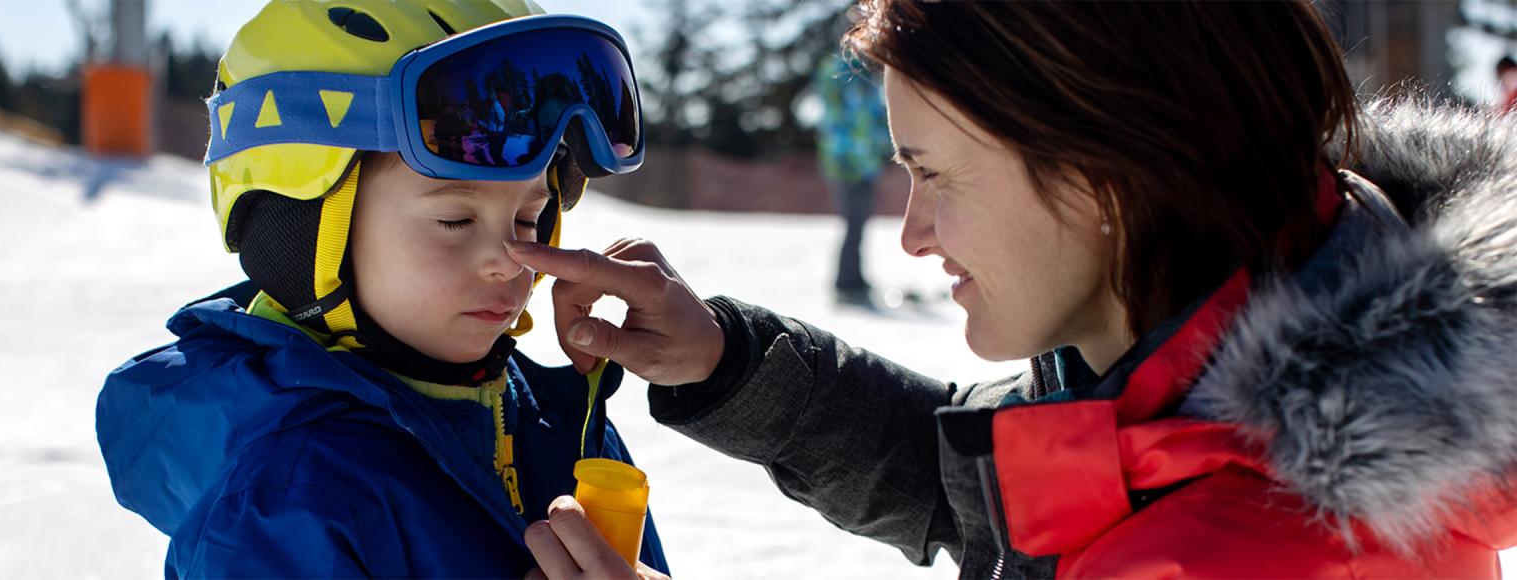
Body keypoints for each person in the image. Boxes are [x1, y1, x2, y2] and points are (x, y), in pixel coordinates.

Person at [515, 1, 1517, 577]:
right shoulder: (1198, 373)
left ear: (1104, 178)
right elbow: (992, 479)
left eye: (937, 174)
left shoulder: (1242, 551)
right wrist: (725, 362)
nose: (910, 231)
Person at [92, 1, 667, 576]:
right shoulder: (287, 500)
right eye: (455, 222)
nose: (509, 262)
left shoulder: (565, 429)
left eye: (527, 221)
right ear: (306, 230)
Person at [812, 49, 893, 306]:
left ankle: (854, 277)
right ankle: (846, 282)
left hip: (863, 162)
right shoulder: (842, 73)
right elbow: (847, 119)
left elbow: (875, 117)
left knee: (859, 223)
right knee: (854, 222)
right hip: (849, 163)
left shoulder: (864, 75)